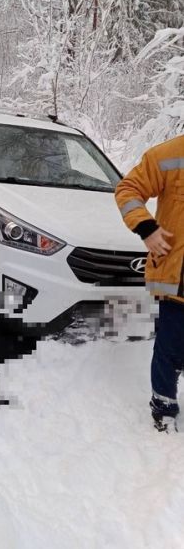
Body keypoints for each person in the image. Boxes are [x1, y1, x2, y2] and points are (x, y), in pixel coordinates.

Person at [115, 134, 184, 432]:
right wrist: (146, 227)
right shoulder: (171, 154)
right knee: (171, 349)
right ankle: (164, 406)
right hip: (178, 278)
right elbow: (128, 189)